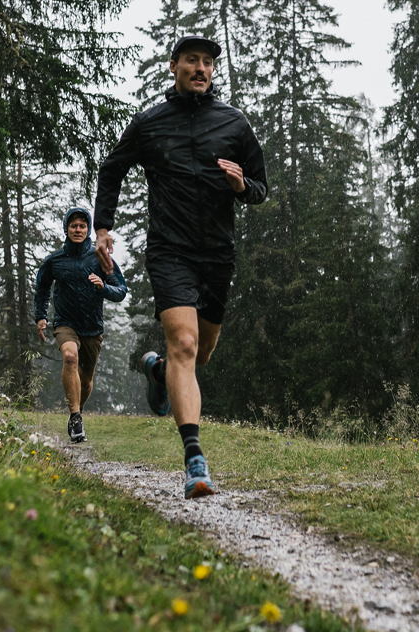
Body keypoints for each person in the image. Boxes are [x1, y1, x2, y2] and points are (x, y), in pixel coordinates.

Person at [92, 35, 268, 498]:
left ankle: (157, 372)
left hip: (217, 253)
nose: (201, 68)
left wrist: (241, 186)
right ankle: (194, 461)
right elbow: (112, 168)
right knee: (185, 345)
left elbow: (261, 188)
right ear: (174, 67)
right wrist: (103, 228)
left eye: (208, 62)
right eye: (192, 60)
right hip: (170, 251)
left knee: (201, 353)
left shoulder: (234, 123)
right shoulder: (150, 123)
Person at [34, 207, 128, 443]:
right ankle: (76, 418)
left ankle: (77, 411)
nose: (78, 230)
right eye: (74, 226)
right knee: (69, 358)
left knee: (85, 381)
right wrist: (40, 316)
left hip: (92, 327)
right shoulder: (54, 260)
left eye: (82, 226)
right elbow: (43, 287)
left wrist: (103, 287)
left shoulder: (100, 257)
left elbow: (121, 291)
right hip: (65, 323)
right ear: (66, 228)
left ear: (88, 230)